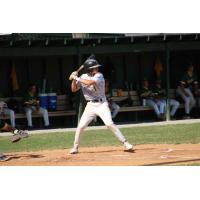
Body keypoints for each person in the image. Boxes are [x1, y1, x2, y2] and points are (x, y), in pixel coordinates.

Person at [69, 58, 133, 154]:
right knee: (81, 126)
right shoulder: (82, 76)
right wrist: (73, 79)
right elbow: (73, 89)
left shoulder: (99, 75)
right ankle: (75, 147)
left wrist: (76, 78)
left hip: (101, 104)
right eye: (95, 68)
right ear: (89, 69)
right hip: (90, 105)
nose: (97, 69)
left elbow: (90, 82)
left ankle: (126, 143)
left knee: (109, 123)